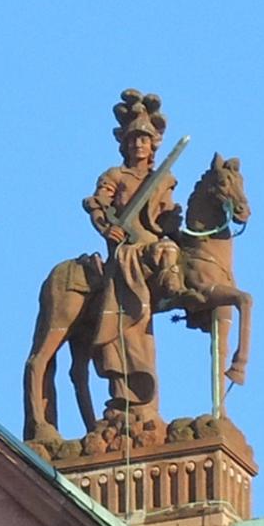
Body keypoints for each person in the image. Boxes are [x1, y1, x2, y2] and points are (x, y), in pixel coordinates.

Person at [82, 100, 182, 430]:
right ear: (124, 143)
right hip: (126, 251)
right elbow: (98, 205)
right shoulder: (115, 176)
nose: (138, 144)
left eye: (144, 139)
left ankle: (175, 289)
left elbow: (166, 220)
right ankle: (125, 392)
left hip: (154, 248)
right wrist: (106, 225)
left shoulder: (163, 179)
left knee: (168, 250)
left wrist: (173, 220)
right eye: (133, 139)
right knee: (126, 326)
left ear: (153, 145)